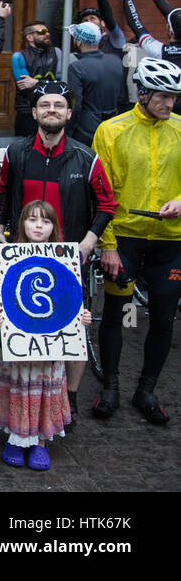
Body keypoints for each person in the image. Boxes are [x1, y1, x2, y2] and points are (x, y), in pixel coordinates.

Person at [0, 79, 117, 426]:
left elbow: (107, 204)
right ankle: (21, 397)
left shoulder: (86, 156)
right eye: (45, 105)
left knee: (73, 329)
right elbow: (3, 194)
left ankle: (69, 397)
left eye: (58, 106)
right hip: (22, 254)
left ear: (68, 113)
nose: (52, 111)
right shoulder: (16, 153)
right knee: (22, 324)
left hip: (70, 256)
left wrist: (91, 239)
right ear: (34, 113)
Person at [90, 56, 181, 424]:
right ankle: (109, 387)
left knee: (163, 317)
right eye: (162, 96)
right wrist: (107, 245)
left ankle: (146, 390)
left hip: (171, 242)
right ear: (141, 93)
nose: (169, 104)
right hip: (124, 237)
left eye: (174, 97)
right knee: (115, 313)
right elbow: (101, 193)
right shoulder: (111, 130)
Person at [0, 200, 91, 470]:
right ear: (21, 223)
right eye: (32, 219)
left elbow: (73, 297)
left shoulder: (68, 259)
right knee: (17, 386)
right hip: (15, 344)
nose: (38, 225)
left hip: (50, 346)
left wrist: (82, 315)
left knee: (42, 390)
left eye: (45, 221)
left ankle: (40, 442)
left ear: (54, 227)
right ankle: (15, 436)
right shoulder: (6, 255)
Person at [65, 22, 127, 146]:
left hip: (86, 128)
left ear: (79, 42)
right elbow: (122, 97)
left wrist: (67, 131)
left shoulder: (77, 67)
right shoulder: (115, 61)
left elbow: (75, 105)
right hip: (113, 124)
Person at [118, 0, 181, 65]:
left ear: (171, 31)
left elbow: (136, 26)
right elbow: (174, 18)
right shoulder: (161, 51)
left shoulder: (161, 52)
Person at [10, 20, 61, 136]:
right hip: (27, 109)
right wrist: (50, 84)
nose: (47, 34)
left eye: (47, 31)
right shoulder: (18, 57)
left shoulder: (57, 52)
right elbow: (25, 86)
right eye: (42, 32)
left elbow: (61, 81)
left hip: (52, 107)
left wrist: (36, 82)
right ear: (30, 37)